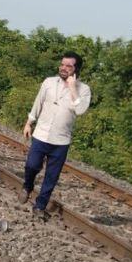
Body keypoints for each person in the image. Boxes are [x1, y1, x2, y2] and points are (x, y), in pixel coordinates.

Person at [20, 52, 92, 216]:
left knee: (51, 177)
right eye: (62, 64)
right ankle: (28, 185)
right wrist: (29, 122)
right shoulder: (49, 82)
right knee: (31, 165)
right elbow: (38, 102)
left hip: (61, 140)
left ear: (76, 69)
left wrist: (73, 88)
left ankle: (40, 206)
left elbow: (80, 110)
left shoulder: (84, 90)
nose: (64, 68)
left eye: (69, 66)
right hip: (41, 134)